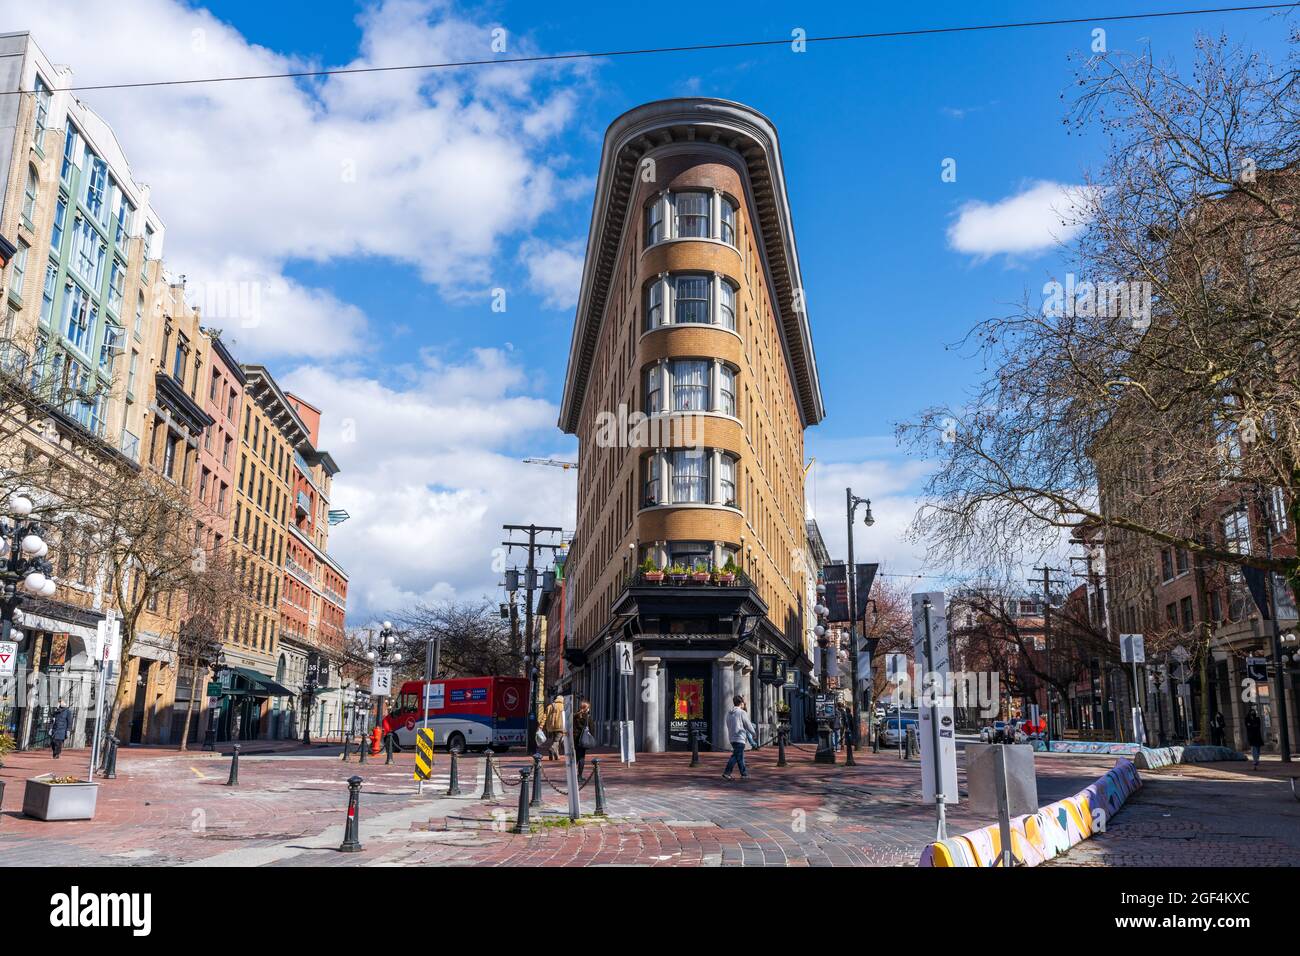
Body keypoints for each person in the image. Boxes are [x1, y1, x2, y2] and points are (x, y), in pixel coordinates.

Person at [723, 695, 756, 781]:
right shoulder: (741, 712)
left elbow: (727, 724)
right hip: (740, 737)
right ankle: (727, 773)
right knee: (735, 756)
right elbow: (748, 724)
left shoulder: (729, 713)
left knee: (739, 756)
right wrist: (753, 733)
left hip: (732, 737)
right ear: (741, 703)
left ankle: (744, 774)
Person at [541, 694, 566, 760]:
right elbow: (566, 718)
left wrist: (541, 726)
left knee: (554, 740)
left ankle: (555, 756)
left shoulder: (550, 706)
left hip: (551, 727)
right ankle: (552, 749)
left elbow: (544, 717)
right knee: (556, 741)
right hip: (560, 727)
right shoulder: (563, 706)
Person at [572, 699, 593, 776]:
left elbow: (571, 727)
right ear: (586, 708)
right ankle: (579, 775)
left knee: (576, 757)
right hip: (583, 740)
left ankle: (573, 774)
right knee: (581, 757)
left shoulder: (575, 716)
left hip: (575, 739)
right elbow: (592, 729)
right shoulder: (588, 718)